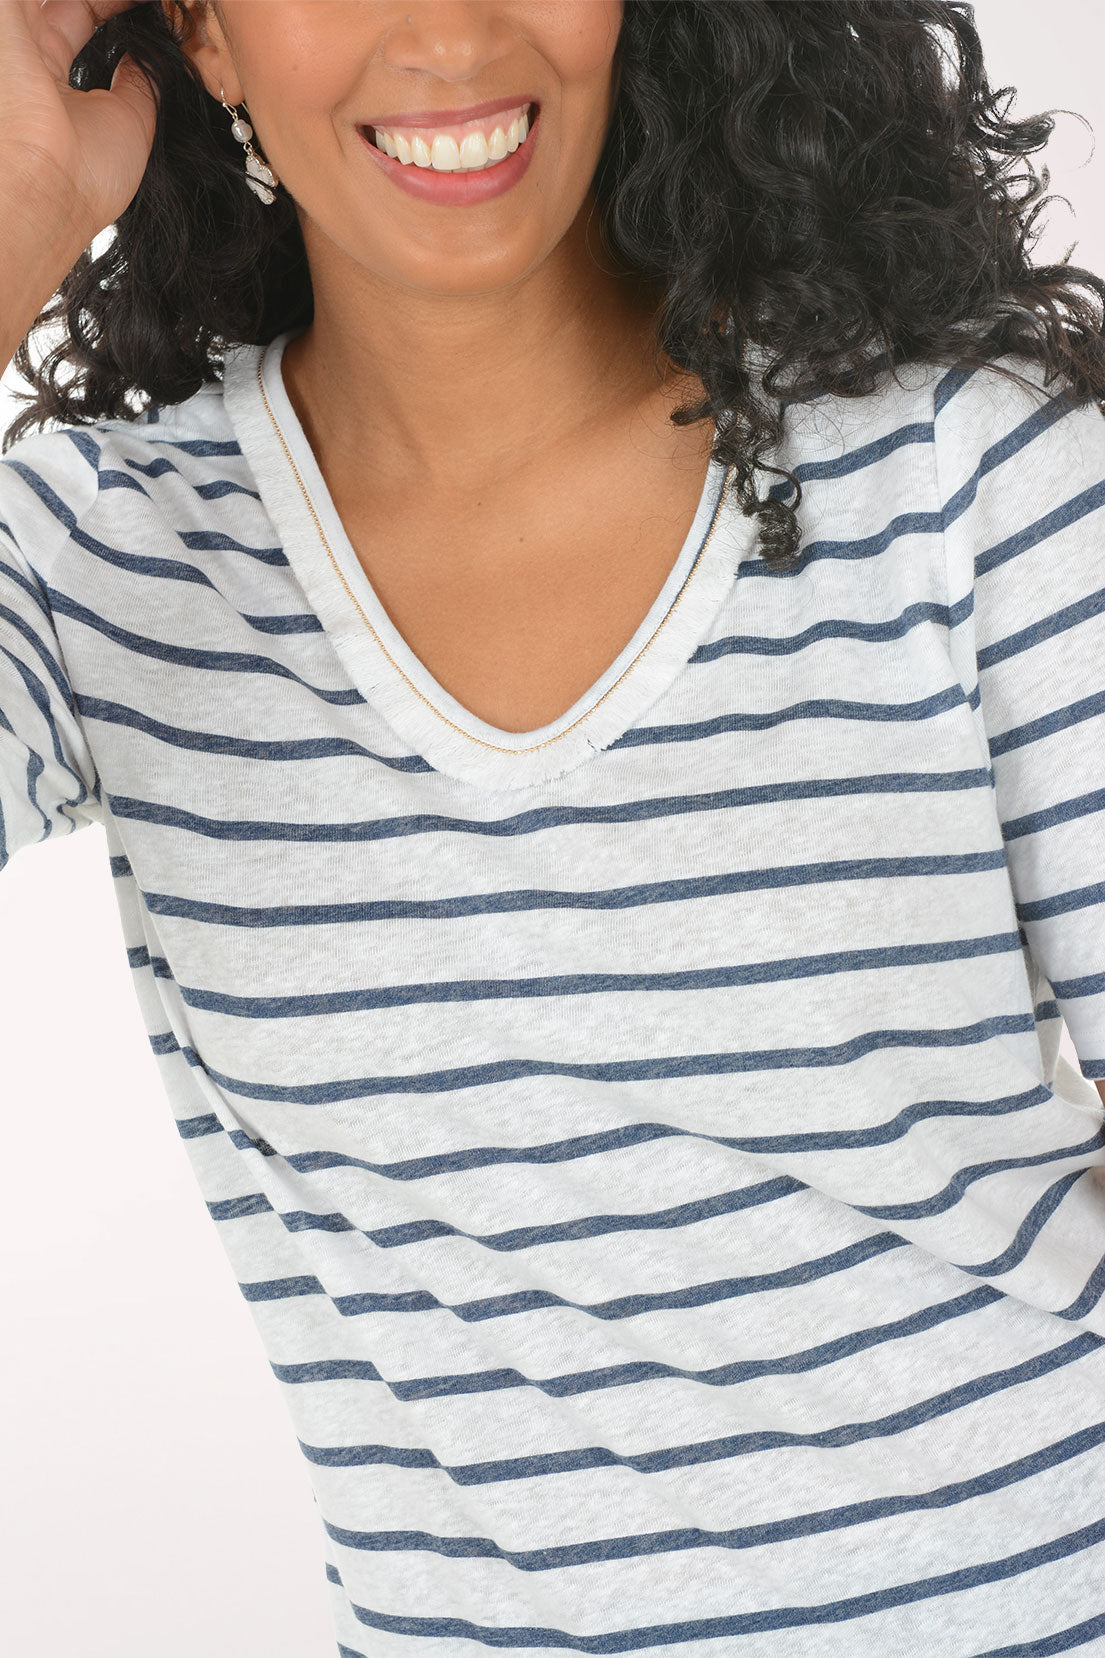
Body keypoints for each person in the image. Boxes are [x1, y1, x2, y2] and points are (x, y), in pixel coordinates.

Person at [2, 1, 1104, 1651]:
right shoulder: (108, 557)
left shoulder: (958, 474)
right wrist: (11, 213)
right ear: (206, 41)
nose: (447, 28)